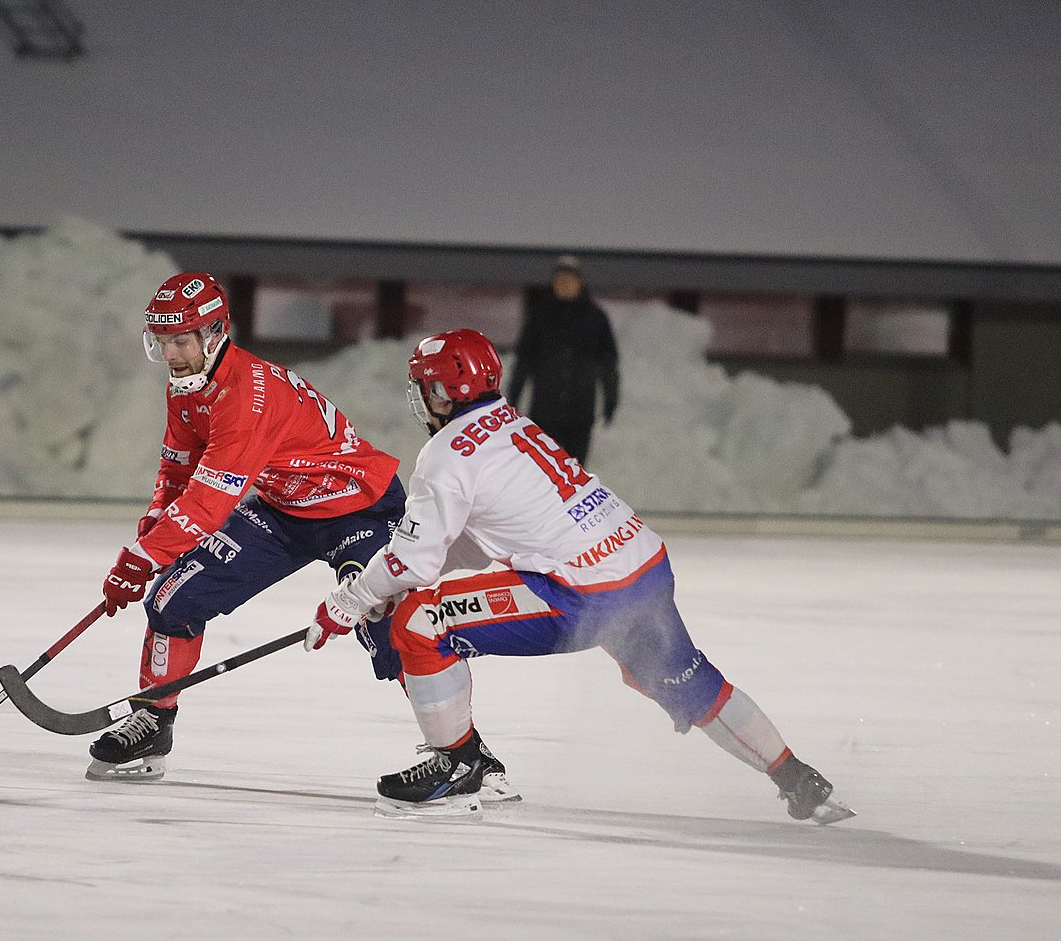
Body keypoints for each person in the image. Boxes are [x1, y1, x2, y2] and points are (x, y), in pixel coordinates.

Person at [305, 328, 852, 823]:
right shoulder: (511, 422)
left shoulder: (446, 454)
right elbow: (470, 544)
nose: (419, 398)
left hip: (582, 593)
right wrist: (393, 583)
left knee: (421, 625)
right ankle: (796, 777)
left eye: (424, 386)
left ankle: (458, 768)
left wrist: (350, 601)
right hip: (642, 566)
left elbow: (414, 559)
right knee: (689, 682)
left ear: (443, 392)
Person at [84, 272, 520, 793]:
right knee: (175, 596)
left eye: (181, 340)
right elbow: (178, 475)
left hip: (357, 508)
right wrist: (151, 534)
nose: (171, 353)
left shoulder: (247, 398)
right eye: (162, 342)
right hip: (282, 508)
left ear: (216, 332)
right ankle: (153, 721)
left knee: (388, 620)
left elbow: (208, 502)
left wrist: (143, 555)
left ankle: (464, 752)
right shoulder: (188, 385)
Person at [506, 254, 619, 466]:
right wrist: (513, 396)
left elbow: (608, 363)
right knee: (543, 471)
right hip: (544, 412)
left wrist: (610, 399)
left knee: (576, 474)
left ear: (579, 282)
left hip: (580, 413)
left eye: (569, 280)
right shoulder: (540, 316)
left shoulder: (595, 318)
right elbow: (524, 359)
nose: (564, 285)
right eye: (559, 280)